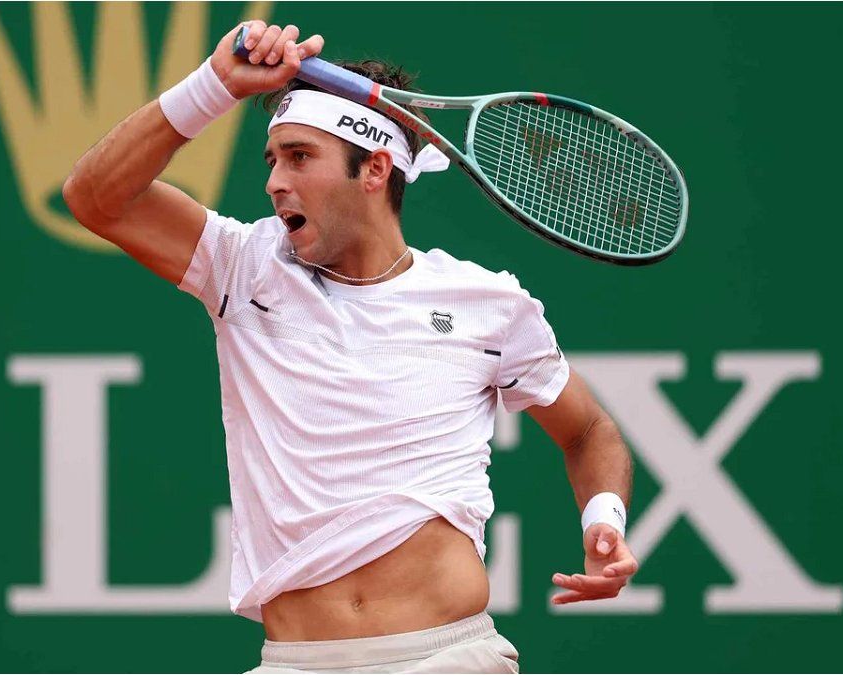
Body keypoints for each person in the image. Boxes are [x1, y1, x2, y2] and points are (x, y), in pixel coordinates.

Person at [63, 20, 639, 674]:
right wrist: (215, 85)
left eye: (300, 157)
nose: (274, 182)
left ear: (374, 169)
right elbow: (95, 198)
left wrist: (604, 519)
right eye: (272, 160)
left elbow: (588, 429)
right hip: (295, 661)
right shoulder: (242, 267)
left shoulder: (489, 303)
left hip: (447, 658)